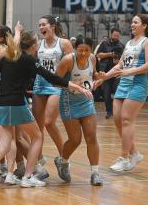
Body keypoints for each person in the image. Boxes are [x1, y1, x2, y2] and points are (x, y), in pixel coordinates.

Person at [0, 29, 91, 191]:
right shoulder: (27, 60)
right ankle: (27, 177)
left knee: (3, 146)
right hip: (15, 105)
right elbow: (52, 78)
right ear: (33, 46)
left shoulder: (8, 58)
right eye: (36, 44)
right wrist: (78, 87)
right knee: (37, 137)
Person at [96, 14, 148, 171]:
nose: (132, 24)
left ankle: (124, 158)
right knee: (118, 120)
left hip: (137, 85)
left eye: (135, 22)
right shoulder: (129, 43)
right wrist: (105, 77)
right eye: (131, 22)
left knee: (127, 120)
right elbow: (120, 66)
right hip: (123, 84)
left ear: (144, 26)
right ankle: (134, 153)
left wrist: (129, 72)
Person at [54, 36, 103, 186]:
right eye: (80, 50)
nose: (83, 53)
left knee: (91, 137)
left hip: (86, 101)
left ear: (91, 49)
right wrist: (74, 85)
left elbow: (92, 74)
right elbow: (55, 80)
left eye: (86, 50)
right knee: (75, 139)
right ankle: (62, 161)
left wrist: (98, 78)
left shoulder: (93, 59)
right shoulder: (68, 60)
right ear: (75, 49)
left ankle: (95, 173)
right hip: (69, 102)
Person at [32, 15, 73, 178]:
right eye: (39, 25)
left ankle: (63, 159)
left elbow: (72, 64)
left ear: (53, 26)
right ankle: (39, 165)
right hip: (39, 84)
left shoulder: (64, 43)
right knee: (37, 127)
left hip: (57, 85)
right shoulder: (38, 45)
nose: (41, 27)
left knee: (49, 122)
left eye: (44, 24)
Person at [96, 28, 124, 118]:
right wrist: (110, 54)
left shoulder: (121, 46)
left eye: (117, 35)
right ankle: (109, 111)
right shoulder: (104, 43)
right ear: (111, 34)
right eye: (114, 35)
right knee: (106, 93)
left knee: (118, 92)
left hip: (117, 73)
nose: (116, 37)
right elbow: (98, 55)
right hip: (105, 73)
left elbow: (124, 59)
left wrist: (118, 60)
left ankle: (119, 111)